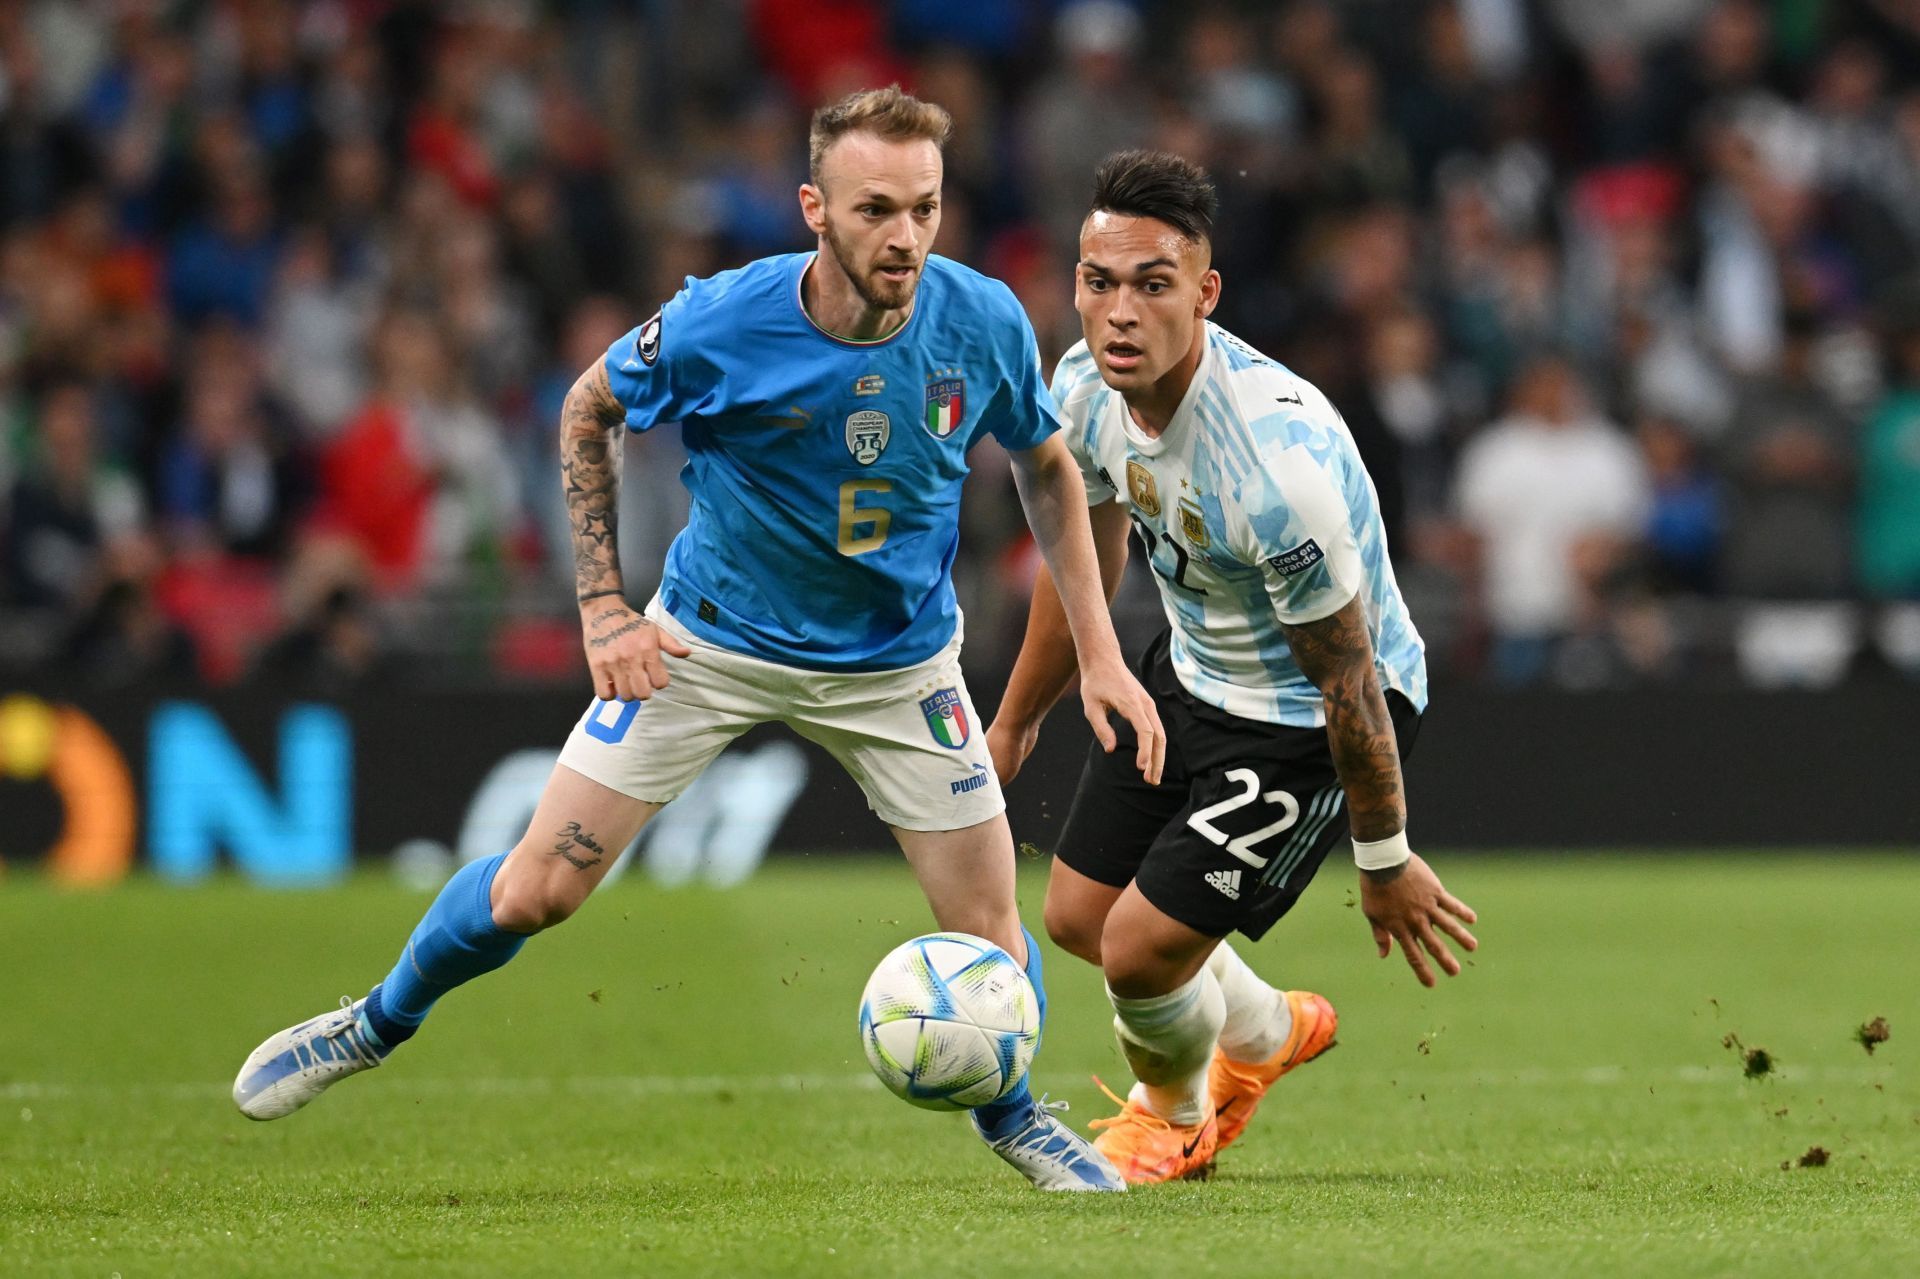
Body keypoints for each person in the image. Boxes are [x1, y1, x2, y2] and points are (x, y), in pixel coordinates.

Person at [232, 88, 1165, 1194]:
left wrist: (1099, 651)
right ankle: (374, 1022)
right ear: (815, 208)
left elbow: (1046, 465)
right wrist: (602, 610)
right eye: (876, 209)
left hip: (898, 661)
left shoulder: (984, 319)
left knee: (993, 940)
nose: (906, 235)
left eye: (925, 207)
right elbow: (588, 408)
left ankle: (1012, 1117)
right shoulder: (727, 319)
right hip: (707, 643)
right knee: (536, 891)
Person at [985, 151, 1478, 1184]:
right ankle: (1262, 1030)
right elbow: (1086, 555)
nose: (1117, 311)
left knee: (1136, 950)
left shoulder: (1273, 467)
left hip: (1310, 717)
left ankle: (1177, 1112)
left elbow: (1349, 679)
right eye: (1097, 280)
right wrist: (1017, 718)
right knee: (1077, 916)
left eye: (1152, 284)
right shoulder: (1080, 387)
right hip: (1193, 670)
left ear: (1205, 294)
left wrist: (1383, 860)